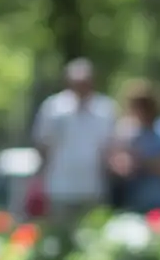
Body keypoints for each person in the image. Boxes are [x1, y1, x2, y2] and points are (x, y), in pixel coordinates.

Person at [31, 58, 117, 225]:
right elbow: (42, 144)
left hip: (93, 186)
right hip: (59, 186)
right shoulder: (53, 107)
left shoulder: (105, 109)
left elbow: (111, 146)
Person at [108, 80, 160, 214]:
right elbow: (117, 164)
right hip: (134, 201)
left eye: (144, 105)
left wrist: (141, 162)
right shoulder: (126, 131)